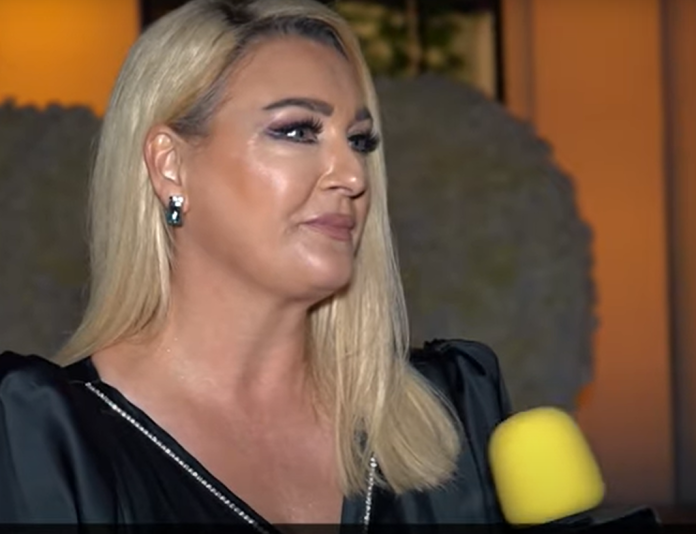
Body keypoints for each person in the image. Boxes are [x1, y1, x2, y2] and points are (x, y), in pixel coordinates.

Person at [0, 0, 512, 527]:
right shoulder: (44, 442)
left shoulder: (453, 414)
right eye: (297, 131)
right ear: (170, 165)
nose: (353, 176)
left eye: (359, 141)